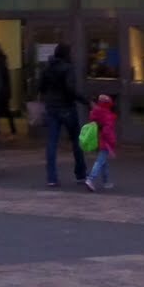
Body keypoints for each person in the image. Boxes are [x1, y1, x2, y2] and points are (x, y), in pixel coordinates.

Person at [37, 42, 88, 188]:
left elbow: (40, 87)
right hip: (67, 108)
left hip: (52, 108)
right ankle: (80, 174)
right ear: (66, 54)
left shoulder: (47, 68)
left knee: (52, 142)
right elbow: (70, 89)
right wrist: (86, 101)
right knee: (76, 141)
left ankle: (51, 177)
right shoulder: (68, 68)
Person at [84, 92, 118, 192]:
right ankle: (90, 179)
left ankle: (106, 181)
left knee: (104, 162)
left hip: (97, 140)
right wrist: (112, 143)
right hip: (105, 142)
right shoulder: (108, 116)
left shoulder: (96, 113)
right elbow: (108, 131)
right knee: (100, 161)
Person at [0, 42, 17, 136]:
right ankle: (11, 129)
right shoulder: (2, 59)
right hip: (4, 91)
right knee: (5, 111)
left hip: (0, 91)